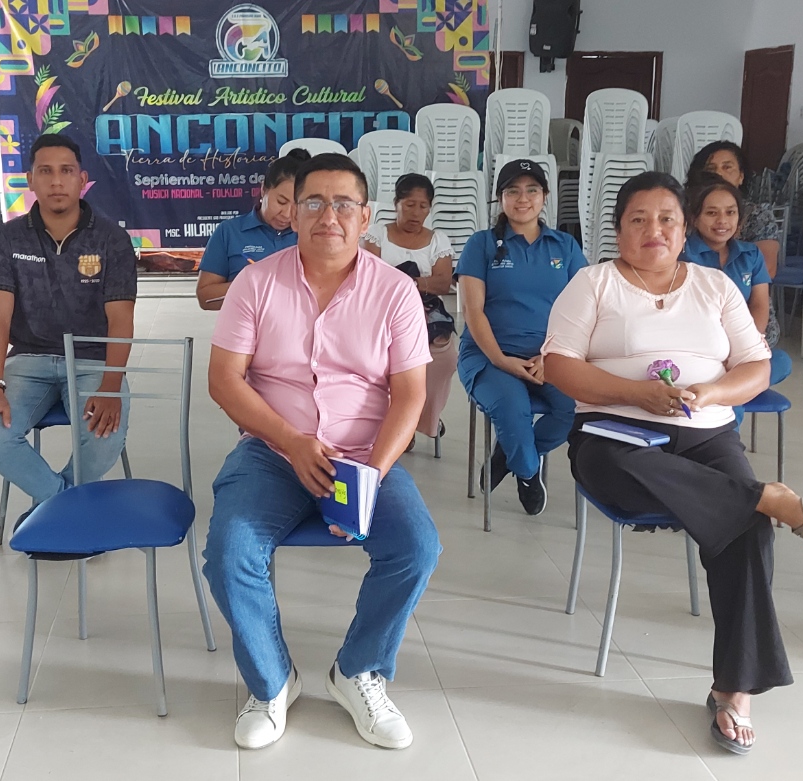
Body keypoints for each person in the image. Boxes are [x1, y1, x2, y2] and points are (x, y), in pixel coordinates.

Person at [543, 171, 803, 755]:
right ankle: (765, 497)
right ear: (618, 230)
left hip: (705, 431)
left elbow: (756, 367)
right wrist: (636, 394)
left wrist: (711, 393)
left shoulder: (715, 286)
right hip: (616, 431)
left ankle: (735, 689)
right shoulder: (593, 283)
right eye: (638, 220)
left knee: (746, 529)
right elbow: (559, 365)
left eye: (667, 219)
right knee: (624, 471)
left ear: (685, 231)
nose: (653, 230)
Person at [203, 153, 441, 751]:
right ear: (293, 212)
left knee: (416, 548)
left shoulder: (395, 291)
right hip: (272, 451)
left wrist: (370, 475)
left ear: (365, 216)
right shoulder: (256, 282)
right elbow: (224, 380)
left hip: (365, 453)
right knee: (230, 553)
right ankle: (272, 681)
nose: (327, 216)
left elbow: (410, 393)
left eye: (343, 204)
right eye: (313, 202)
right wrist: (291, 440)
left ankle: (358, 670)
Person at [0, 133, 136, 505]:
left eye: (66, 171)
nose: (56, 181)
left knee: (105, 433)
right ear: (30, 180)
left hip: (93, 359)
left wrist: (111, 385)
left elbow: (121, 318)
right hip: (28, 360)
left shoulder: (112, 239)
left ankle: (54, 514)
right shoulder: (5, 239)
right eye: (45, 171)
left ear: (82, 179)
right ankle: (66, 509)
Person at [457, 159, 587, 515]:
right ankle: (528, 473)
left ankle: (510, 453)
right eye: (512, 191)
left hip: (551, 355)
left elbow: (582, 310)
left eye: (532, 190)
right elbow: (473, 311)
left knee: (577, 408)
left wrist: (551, 355)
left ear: (545, 196)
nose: (523, 198)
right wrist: (502, 361)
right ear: (500, 198)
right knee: (513, 410)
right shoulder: (482, 244)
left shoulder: (565, 246)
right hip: (488, 355)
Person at [363, 173, 456, 450]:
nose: (416, 213)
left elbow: (443, 283)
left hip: (424, 309)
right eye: (410, 205)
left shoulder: (438, 239)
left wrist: (409, 283)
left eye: (423, 206)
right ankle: (393, 417)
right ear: (396, 204)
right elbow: (370, 275)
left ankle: (421, 418)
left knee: (445, 357)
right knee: (379, 355)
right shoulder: (378, 234)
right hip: (381, 309)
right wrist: (416, 283)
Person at [682, 173, 792, 386]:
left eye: (730, 212)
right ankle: (733, 389)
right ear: (694, 218)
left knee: (781, 361)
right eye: (711, 213)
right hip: (698, 347)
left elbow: (759, 305)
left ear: (739, 219)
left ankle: (723, 388)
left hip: (741, 346)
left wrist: (745, 346)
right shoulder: (682, 254)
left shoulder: (751, 254)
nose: (722, 221)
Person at [196, 148, 308, 310]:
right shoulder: (230, 232)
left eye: (298, 206)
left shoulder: (310, 235)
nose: (286, 214)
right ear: (264, 190)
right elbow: (206, 298)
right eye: (281, 202)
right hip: (243, 324)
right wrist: (252, 284)